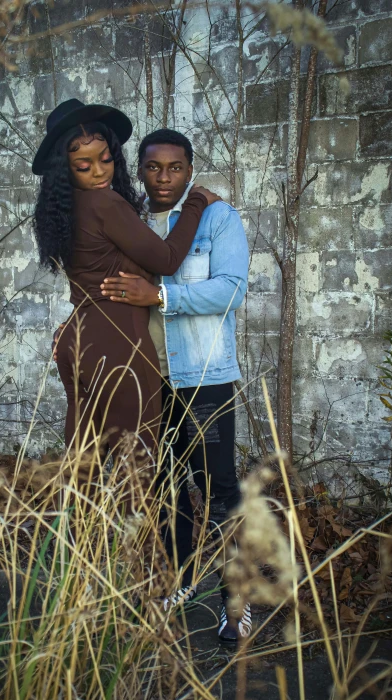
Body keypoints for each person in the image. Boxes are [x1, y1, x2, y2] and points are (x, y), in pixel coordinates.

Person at [99, 129, 250, 642]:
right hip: (148, 381)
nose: (164, 177)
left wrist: (160, 294)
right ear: (139, 170)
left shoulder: (217, 217)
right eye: (153, 167)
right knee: (163, 488)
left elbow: (230, 291)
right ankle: (179, 582)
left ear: (189, 168)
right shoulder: (129, 220)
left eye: (175, 167)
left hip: (204, 379)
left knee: (220, 489)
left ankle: (237, 601)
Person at [32, 100, 219, 510]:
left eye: (105, 159)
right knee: (141, 465)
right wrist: (196, 202)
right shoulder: (107, 205)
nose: (99, 172)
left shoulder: (64, 211)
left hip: (78, 340)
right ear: (66, 168)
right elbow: (167, 259)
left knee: (84, 467)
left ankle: (80, 564)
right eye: (84, 166)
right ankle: (144, 567)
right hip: (119, 344)